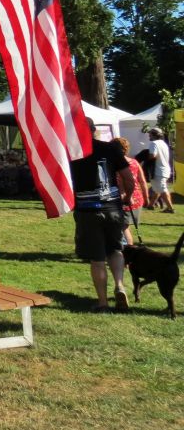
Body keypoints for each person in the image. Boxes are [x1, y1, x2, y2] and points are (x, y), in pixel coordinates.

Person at [69, 118, 135, 312]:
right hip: (112, 208)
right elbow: (129, 178)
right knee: (115, 250)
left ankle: (103, 302)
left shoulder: (72, 153)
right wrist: (127, 197)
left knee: (97, 259)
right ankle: (120, 285)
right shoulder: (111, 148)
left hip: (87, 210)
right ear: (93, 130)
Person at [115, 137, 147, 245]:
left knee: (123, 227)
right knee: (126, 226)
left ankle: (128, 249)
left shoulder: (115, 164)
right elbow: (142, 181)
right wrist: (146, 198)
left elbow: (120, 182)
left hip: (125, 198)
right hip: (137, 198)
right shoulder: (134, 162)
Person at [147, 127, 174, 213]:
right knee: (157, 188)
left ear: (154, 135)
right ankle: (150, 205)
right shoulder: (163, 143)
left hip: (158, 170)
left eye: (150, 134)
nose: (149, 136)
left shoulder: (154, 143)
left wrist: (146, 156)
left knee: (162, 189)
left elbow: (152, 155)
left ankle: (170, 208)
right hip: (165, 169)